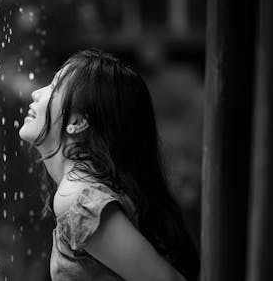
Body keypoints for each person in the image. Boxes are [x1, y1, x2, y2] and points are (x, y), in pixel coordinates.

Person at [18, 49, 200, 281]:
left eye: (54, 87)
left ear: (78, 122)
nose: (36, 93)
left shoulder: (77, 197)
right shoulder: (93, 188)